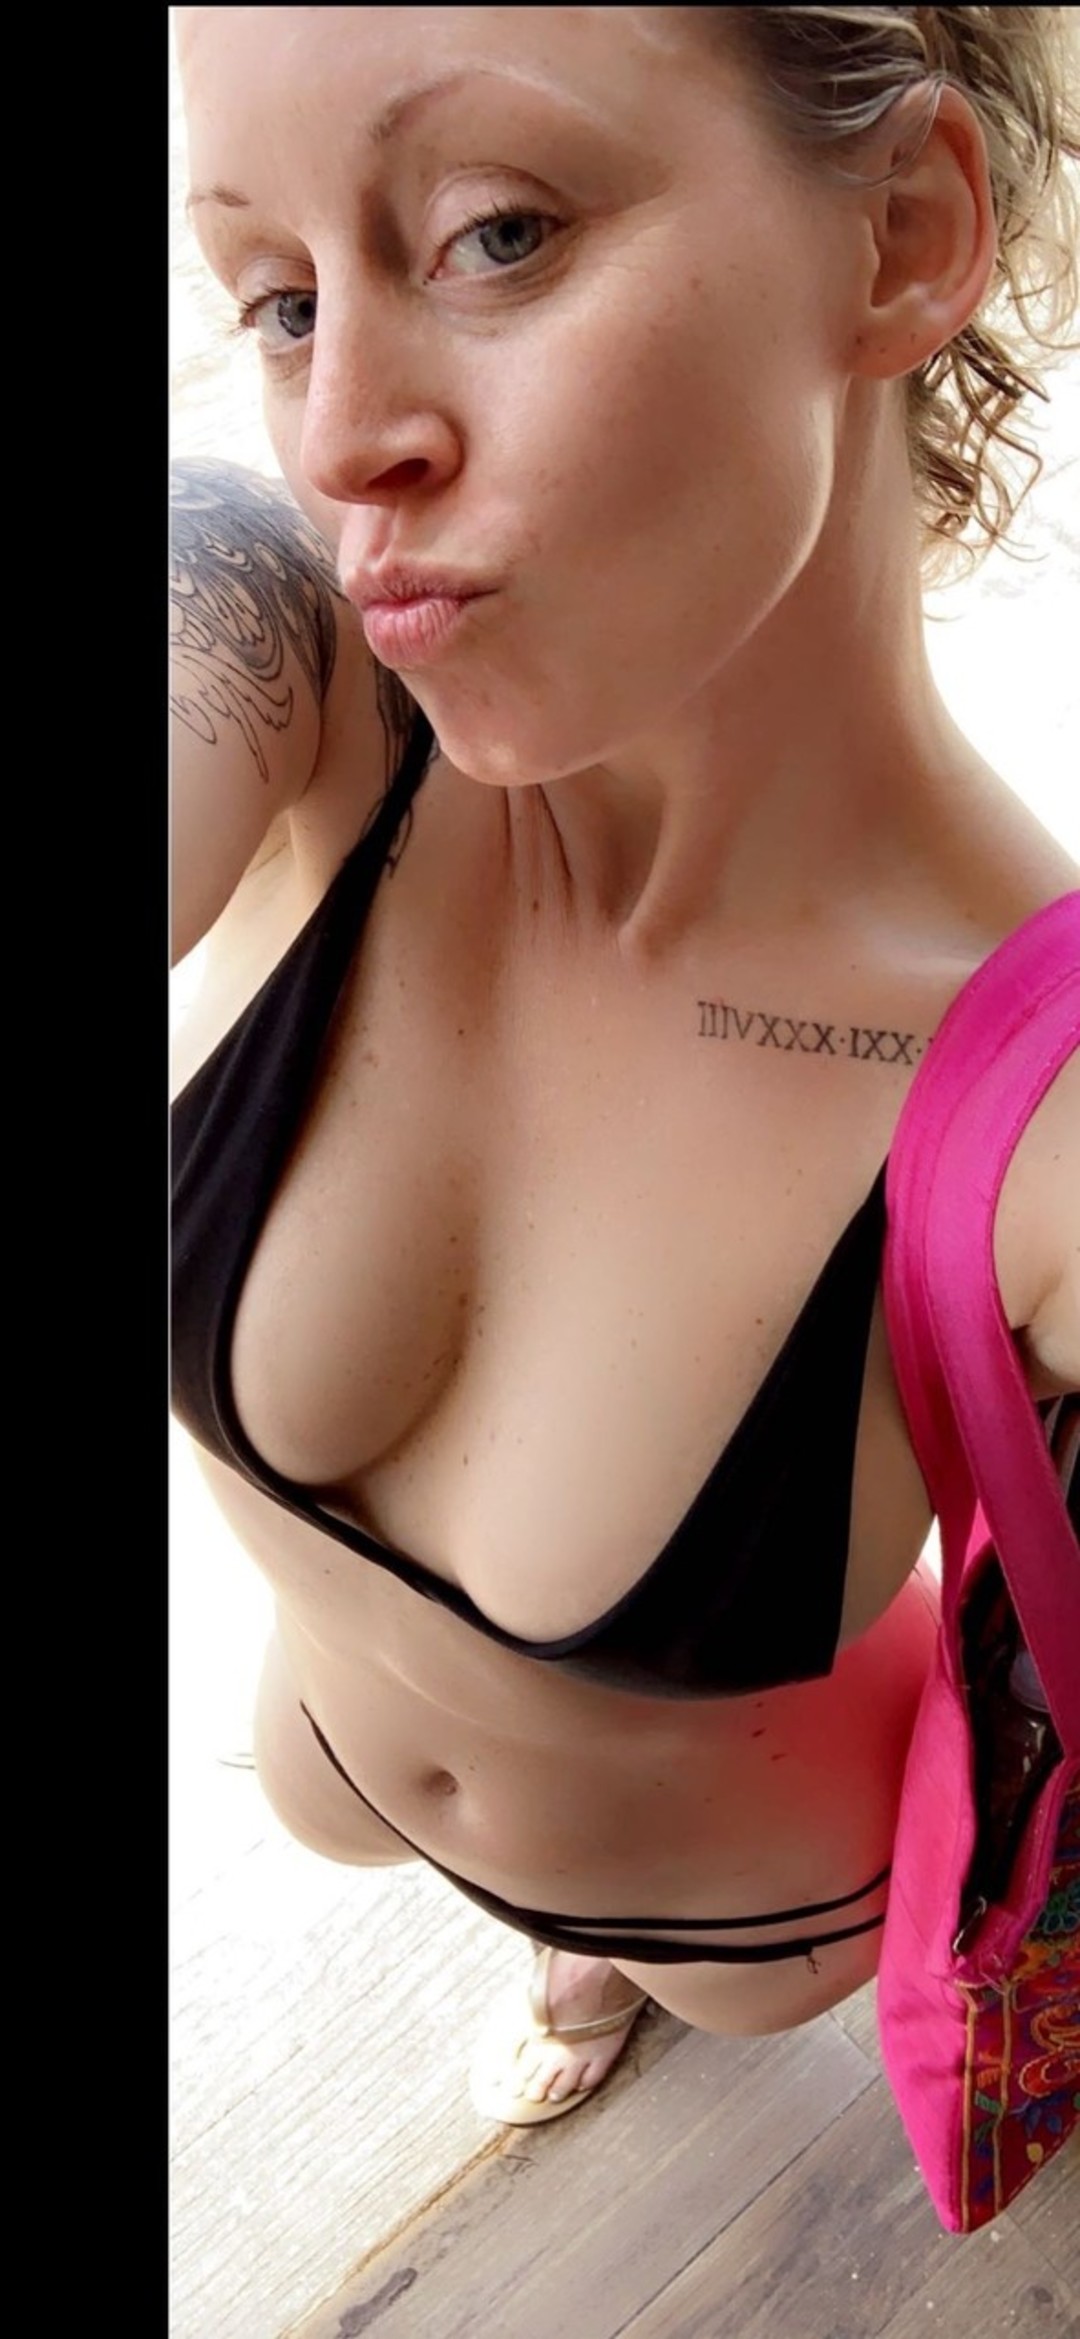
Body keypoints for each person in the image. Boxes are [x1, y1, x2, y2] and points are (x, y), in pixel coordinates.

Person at [171, 4, 1079, 2128]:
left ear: (901, 231)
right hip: (334, 1762)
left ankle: (601, 1955)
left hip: (745, 1918)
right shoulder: (279, 643)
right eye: (280, 298)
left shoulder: (1035, 1108)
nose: (341, 443)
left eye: (495, 232)